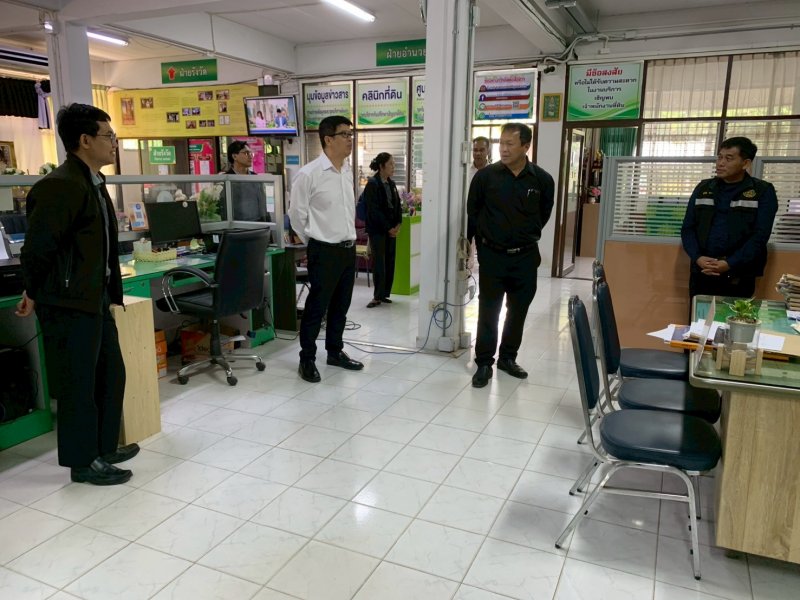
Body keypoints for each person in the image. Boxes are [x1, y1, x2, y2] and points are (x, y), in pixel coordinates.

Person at [16, 103, 138, 485]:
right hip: (68, 302)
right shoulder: (60, 186)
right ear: (85, 140)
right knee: (78, 385)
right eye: (108, 136)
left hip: (94, 297)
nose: (113, 143)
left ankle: (103, 447)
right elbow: (38, 249)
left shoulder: (93, 181)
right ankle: (83, 463)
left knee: (110, 375)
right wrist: (32, 290)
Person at [467, 122, 555, 388]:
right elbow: (473, 212)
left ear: (526, 146)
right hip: (493, 257)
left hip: (525, 258)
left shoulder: (542, 180)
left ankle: (507, 358)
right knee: (488, 310)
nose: (503, 149)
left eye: (510, 144)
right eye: (501, 143)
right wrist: (481, 244)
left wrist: (522, 235)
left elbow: (543, 215)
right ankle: (484, 362)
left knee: (518, 311)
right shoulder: (485, 177)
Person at [288, 115, 364, 383]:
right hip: (324, 250)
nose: (350, 139)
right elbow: (296, 216)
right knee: (317, 307)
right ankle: (307, 358)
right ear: (328, 139)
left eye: (351, 134)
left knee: (341, 306)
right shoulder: (309, 174)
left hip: (347, 249)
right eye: (345, 134)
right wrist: (314, 241)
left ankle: (334, 351)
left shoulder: (346, 171)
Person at [681, 136, 778, 299]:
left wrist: (729, 263)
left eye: (728, 158)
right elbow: (688, 228)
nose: (720, 163)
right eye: (719, 157)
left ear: (745, 163)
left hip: (739, 274)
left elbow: (760, 236)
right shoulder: (703, 188)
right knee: (699, 315)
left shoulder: (762, 191)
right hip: (703, 271)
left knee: (734, 315)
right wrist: (697, 257)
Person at [362, 153, 403, 308]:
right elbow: (374, 210)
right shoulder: (372, 184)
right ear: (381, 166)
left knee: (390, 261)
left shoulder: (391, 184)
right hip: (378, 230)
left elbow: (397, 206)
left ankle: (385, 293)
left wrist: (398, 224)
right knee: (379, 262)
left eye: (394, 164)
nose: (393, 167)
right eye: (391, 164)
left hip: (391, 229)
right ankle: (377, 296)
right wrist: (388, 228)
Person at [221, 140, 268, 222]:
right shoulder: (225, 179)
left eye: (251, 153)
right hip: (235, 225)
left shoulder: (255, 178)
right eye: (246, 153)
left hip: (257, 225)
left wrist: (267, 223)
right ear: (234, 156)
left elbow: (262, 204)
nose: (250, 156)